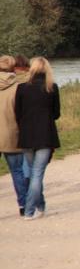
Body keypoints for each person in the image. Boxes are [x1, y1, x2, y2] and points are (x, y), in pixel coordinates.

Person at [15, 57, 60, 220]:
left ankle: (40, 206)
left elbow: (17, 113)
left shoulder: (21, 88)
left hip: (27, 136)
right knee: (37, 173)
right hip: (45, 135)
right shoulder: (52, 87)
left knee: (33, 172)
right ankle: (29, 211)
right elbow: (56, 113)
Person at [0, 55, 30, 216]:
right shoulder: (18, 88)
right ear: (13, 68)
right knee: (17, 171)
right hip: (11, 134)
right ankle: (23, 205)